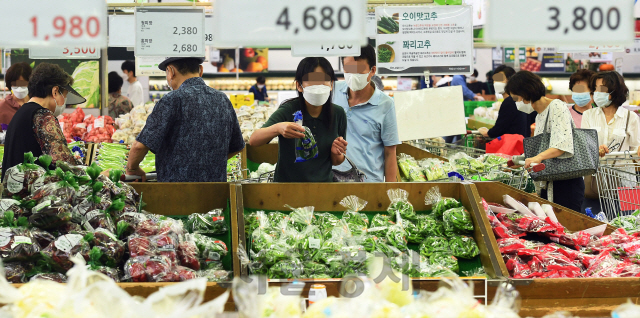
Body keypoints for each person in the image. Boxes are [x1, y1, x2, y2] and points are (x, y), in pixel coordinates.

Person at [126, 57, 245, 182]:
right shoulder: (223, 99)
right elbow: (237, 146)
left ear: (171, 71)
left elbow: (140, 145)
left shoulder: (172, 99)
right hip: (216, 191)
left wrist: (132, 168)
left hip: (177, 191)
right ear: (201, 70)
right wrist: (209, 162)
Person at [249, 57, 348, 182]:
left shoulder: (338, 114)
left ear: (331, 84)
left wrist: (336, 152)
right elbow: (254, 140)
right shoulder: (288, 110)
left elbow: (337, 161)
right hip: (286, 189)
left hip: (323, 189)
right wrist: (278, 128)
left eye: (323, 80)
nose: (318, 86)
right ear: (299, 85)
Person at [506, 70, 585, 212]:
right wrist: (521, 160)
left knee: (567, 229)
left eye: (516, 98)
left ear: (526, 93)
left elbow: (562, 145)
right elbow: (543, 148)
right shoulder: (539, 115)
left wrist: (538, 157)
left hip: (566, 183)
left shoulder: (557, 107)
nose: (516, 103)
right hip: (549, 182)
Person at [2, 63, 86, 177]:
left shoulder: (22, 113)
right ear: (55, 91)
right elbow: (63, 162)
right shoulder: (43, 116)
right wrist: (93, 175)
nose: (65, 101)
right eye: (64, 95)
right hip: (33, 191)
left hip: (15, 189)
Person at [332, 45, 400, 182]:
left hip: (369, 184)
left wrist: (392, 192)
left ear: (372, 70)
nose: (353, 75)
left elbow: (390, 152)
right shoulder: (332, 91)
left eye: (359, 70)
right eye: (349, 69)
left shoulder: (385, 104)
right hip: (332, 182)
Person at [582, 71, 639, 157]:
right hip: (597, 169)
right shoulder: (588, 115)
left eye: (601, 89)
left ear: (614, 91)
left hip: (622, 169)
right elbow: (583, 147)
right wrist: (596, 149)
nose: (597, 93)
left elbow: (636, 150)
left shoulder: (631, 117)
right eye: (595, 89)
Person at [478, 65, 529, 138]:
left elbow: (499, 129)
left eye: (500, 79)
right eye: (495, 79)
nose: (495, 82)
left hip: (512, 146)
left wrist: (486, 132)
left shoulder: (509, 102)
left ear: (510, 80)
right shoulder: (518, 99)